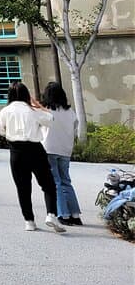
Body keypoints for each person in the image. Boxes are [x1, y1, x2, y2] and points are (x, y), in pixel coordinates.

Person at [0, 82, 65, 232]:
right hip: (35, 150)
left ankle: (29, 221)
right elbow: (51, 119)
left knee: (23, 188)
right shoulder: (32, 110)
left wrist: (11, 134)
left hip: (16, 152)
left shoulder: (5, 111)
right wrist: (37, 104)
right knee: (48, 184)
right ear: (27, 95)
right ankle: (51, 214)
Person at [41, 81, 83, 225]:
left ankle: (63, 214)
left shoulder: (46, 110)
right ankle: (75, 215)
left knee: (56, 183)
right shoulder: (70, 112)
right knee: (66, 181)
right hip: (66, 149)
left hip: (49, 149)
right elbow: (75, 128)